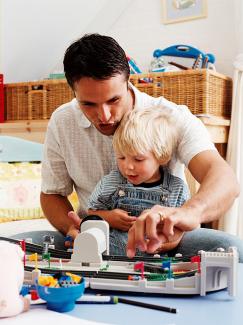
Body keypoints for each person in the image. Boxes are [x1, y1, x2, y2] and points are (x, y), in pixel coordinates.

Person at [13, 33, 242, 260]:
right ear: (73, 91)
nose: (104, 116)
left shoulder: (171, 116)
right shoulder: (62, 121)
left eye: (113, 100)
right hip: (92, 236)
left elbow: (224, 179)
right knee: (9, 248)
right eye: (88, 104)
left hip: (168, 241)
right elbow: (52, 194)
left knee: (234, 249)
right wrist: (73, 229)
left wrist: (189, 213)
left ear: (128, 79)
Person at [87, 106, 189, 256]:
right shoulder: (112, 182)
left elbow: (182, 227)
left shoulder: (176, 188)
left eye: (138, 159)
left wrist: (167, 244)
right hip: (113, 253)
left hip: (155, 255)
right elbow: (91, 212)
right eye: (121, 157)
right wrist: (110, 218)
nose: (128, 166)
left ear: (162, 156)